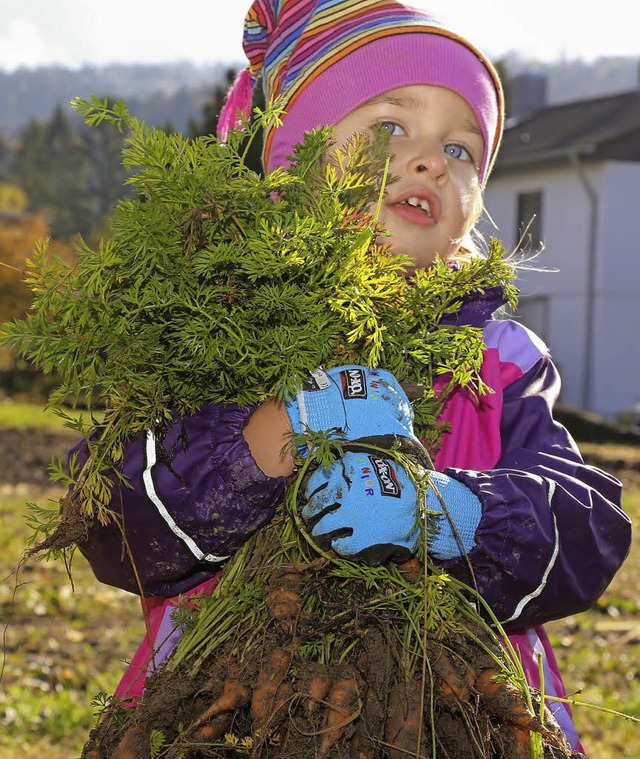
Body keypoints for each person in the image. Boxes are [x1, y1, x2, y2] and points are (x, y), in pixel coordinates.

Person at [73, 1, 631, 753]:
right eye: (392, 128)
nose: (433, 160)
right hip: (229, 717)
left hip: (457, 722)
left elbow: (590, 530)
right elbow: (115, 523)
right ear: (286, 166)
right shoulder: (210, 338)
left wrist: (450, 513)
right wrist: (277, 432)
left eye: (462, 150)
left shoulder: (499, 361)